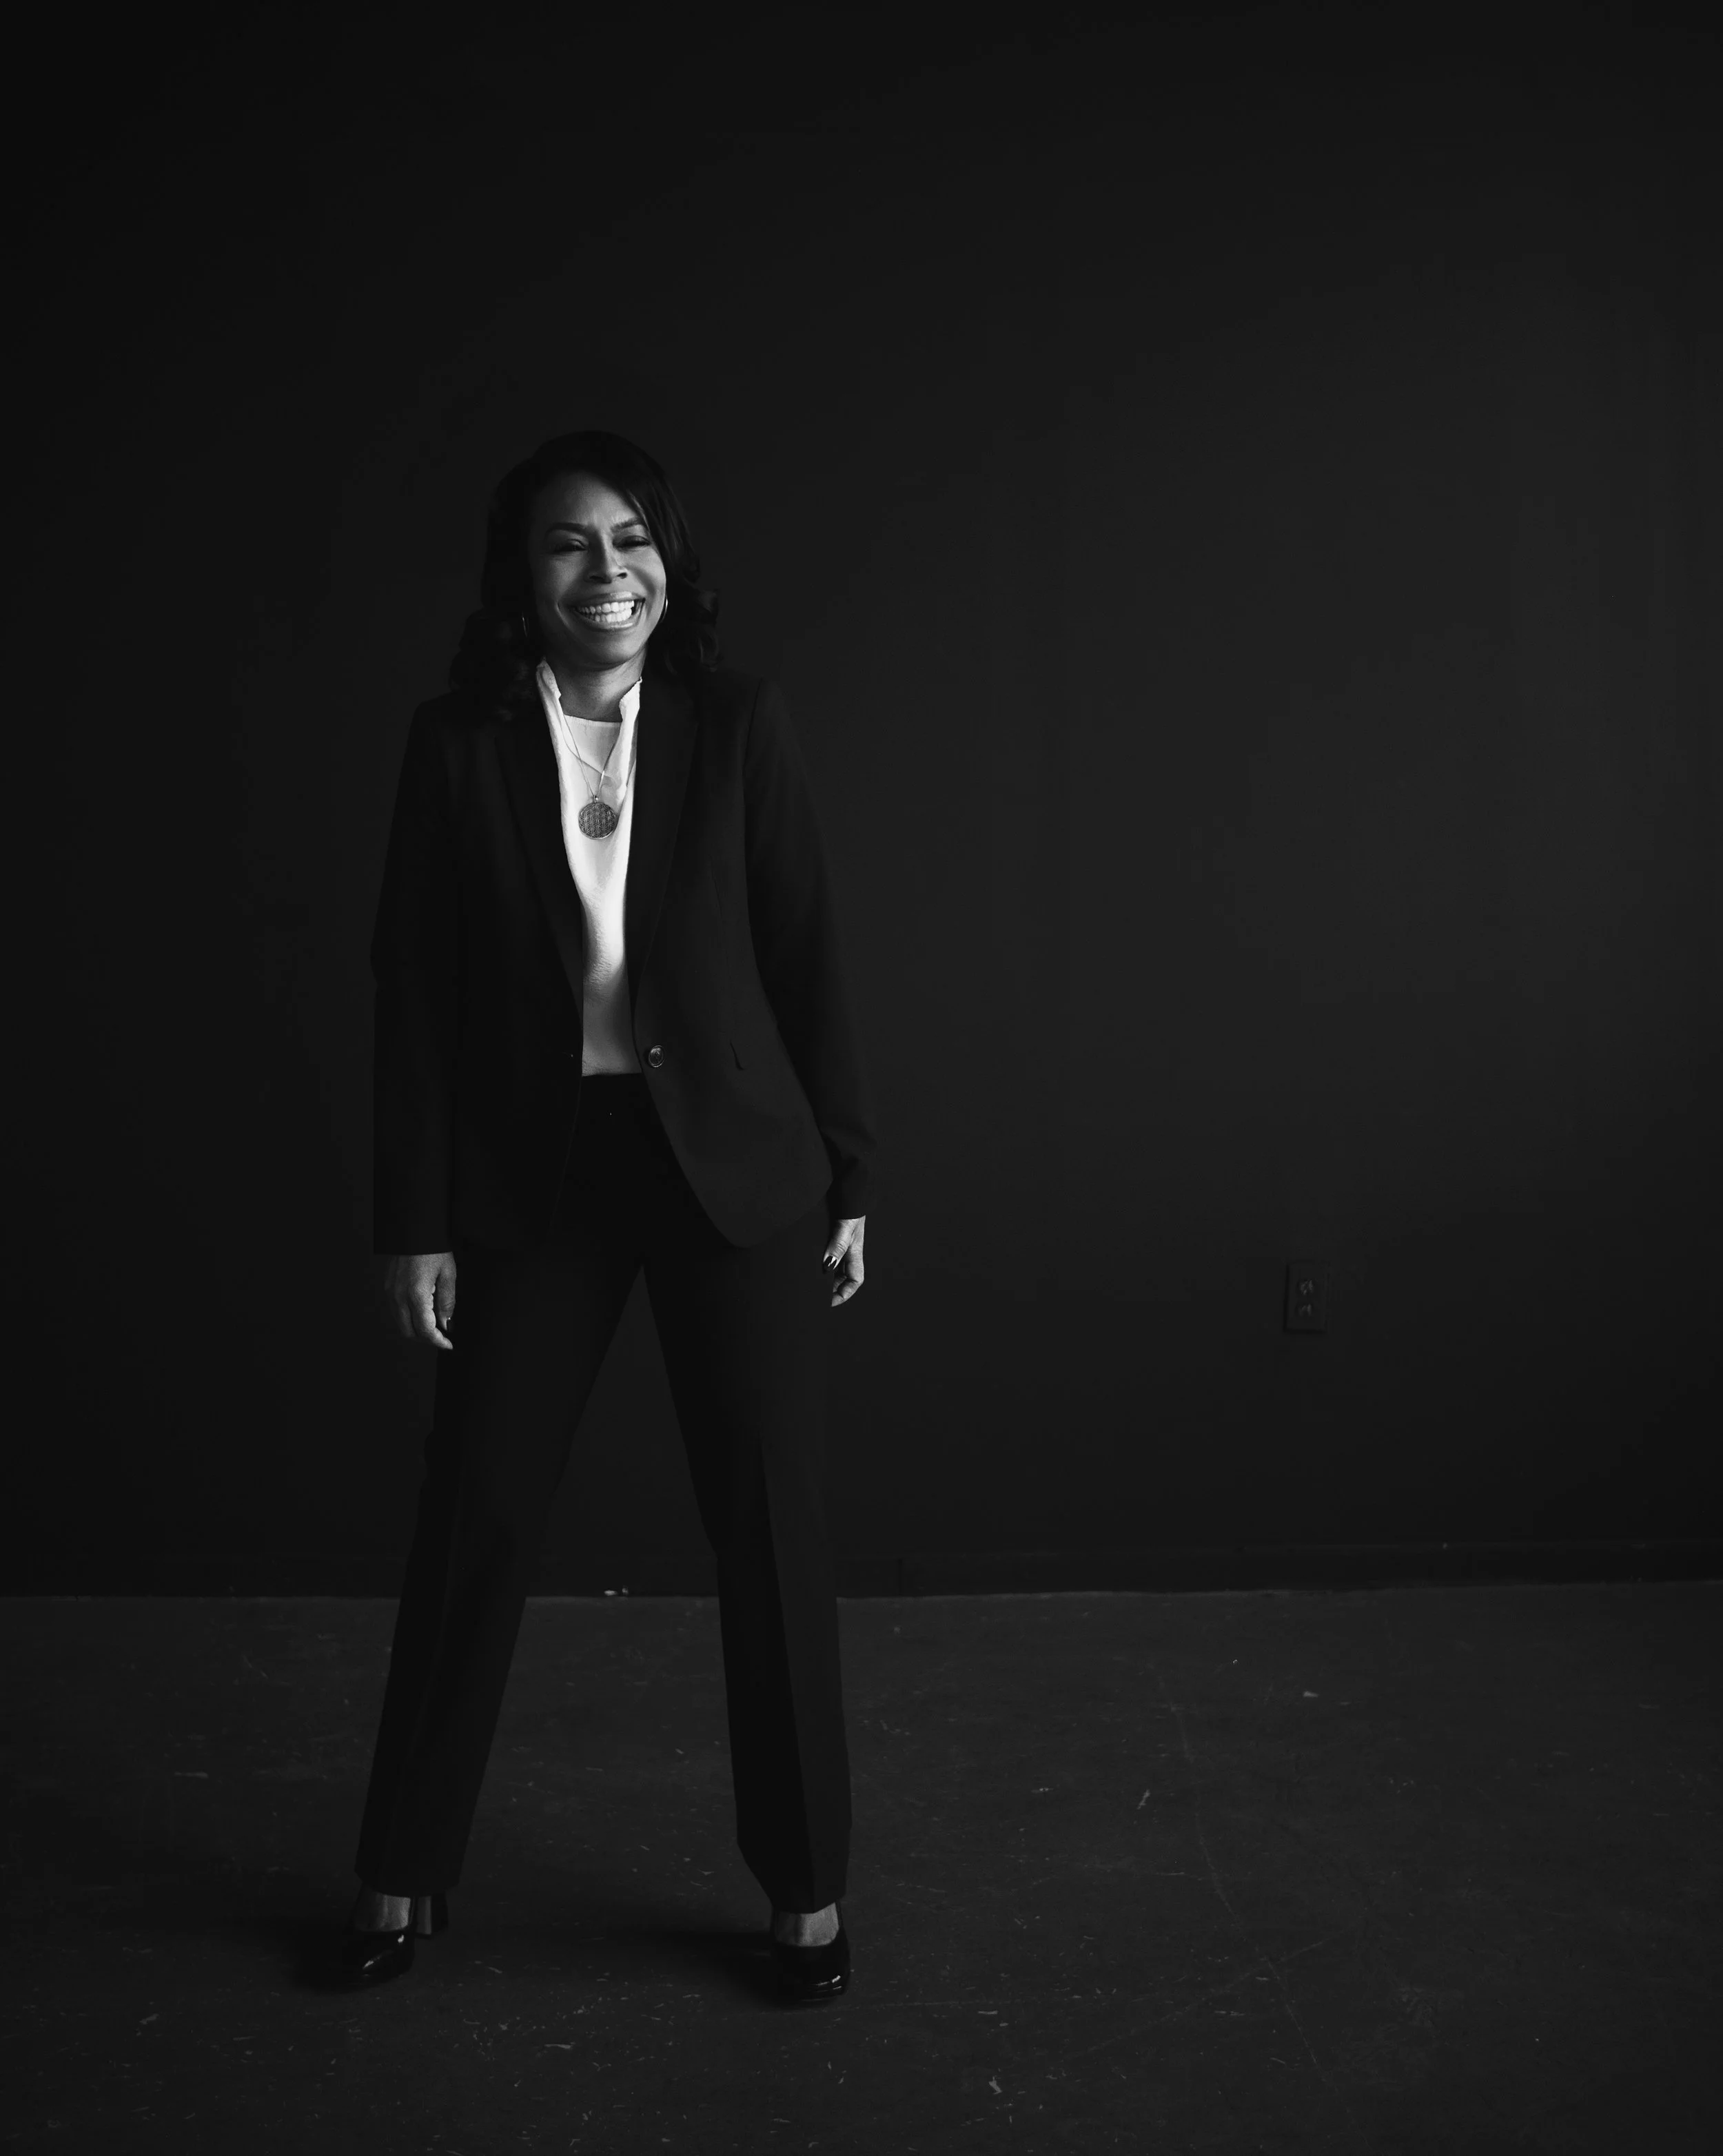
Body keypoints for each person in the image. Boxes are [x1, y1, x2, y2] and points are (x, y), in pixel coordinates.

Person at [333, 431, 876, 2006]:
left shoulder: (737, 721)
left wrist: (850, 1170)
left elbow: (806, 954)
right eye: (570, 545)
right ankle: (400, 1869)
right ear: (523, 574)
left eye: (631, 540)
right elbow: (413, 998)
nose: (606, 571)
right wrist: (413, 1215)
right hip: (535, 1174)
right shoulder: (454, 747)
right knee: (478, 1512)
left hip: (735, 1174)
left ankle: (805, 1890)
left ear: (669, 562)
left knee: (770, 1523)